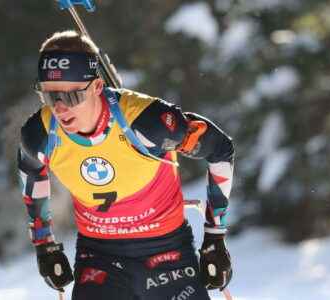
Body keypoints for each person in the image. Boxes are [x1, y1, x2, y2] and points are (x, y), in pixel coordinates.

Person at [17, 30, 234, 300]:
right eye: (50, 97)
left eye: (72, 97)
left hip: (167, 252)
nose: (60, 109)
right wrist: (44, 245)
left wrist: (215, 237)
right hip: (99, 256)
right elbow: (32, 173)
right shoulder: (40, 133)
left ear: (97, 87)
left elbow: (220, 150)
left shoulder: (147, 122)